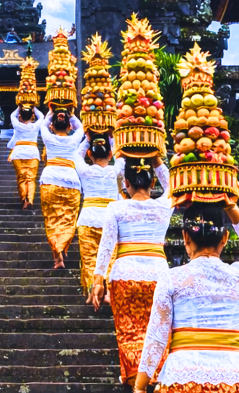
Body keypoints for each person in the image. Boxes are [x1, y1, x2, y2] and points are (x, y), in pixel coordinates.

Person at [135, 197, 239, 393]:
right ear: (225, 238)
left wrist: (139, 386)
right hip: (234, 379)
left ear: (185, 237)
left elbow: (157, 337)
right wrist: (230, 206)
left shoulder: (172, 278)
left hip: (182, 378)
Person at [88, 156, 171, 384]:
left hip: (124, 276)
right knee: (158, 332)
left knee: (129, 332)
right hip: (158, 276)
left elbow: (106, 246)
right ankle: (156, 379)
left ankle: (136, 380)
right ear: (153, 183)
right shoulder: (164, 205)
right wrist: (156, 159)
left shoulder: (116, 207)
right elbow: (173, 185)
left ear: (126, 183)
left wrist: (98, 281)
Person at [74, 132, 122, 295]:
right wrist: (111, 137)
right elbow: (120, 156)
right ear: (110, 154)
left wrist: (87, 139)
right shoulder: (115, 171)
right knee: (109, 258)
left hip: (88, 219)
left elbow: (76, 155)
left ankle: (92, 292)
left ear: (90, 154)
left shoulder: (85, 171)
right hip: (109, 221)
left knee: (89, 260)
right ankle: (107, 292)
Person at [38, 108, 86, 269]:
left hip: (49, 179)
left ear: (52, 126)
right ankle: (61, 246)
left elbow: (43, 124)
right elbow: (81, 128)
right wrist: (70, 112)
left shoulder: (48, 137)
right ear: (69, 127)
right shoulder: (74, 140)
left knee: (51, 219)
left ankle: (57, 252)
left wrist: (52, 111)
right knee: (68, 219)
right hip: (71, 181)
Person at [7, 105, 44, 209]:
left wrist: (19, 107)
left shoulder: (17, 125)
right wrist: (34, 108)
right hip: (32, 153)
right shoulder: (35, 126)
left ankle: (24, 199)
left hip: (18, 153)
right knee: (31, 178)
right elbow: (41, 116)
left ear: (21, 116)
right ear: (31, 116)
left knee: (21, 178)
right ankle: (30, 200)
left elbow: (12, 115)